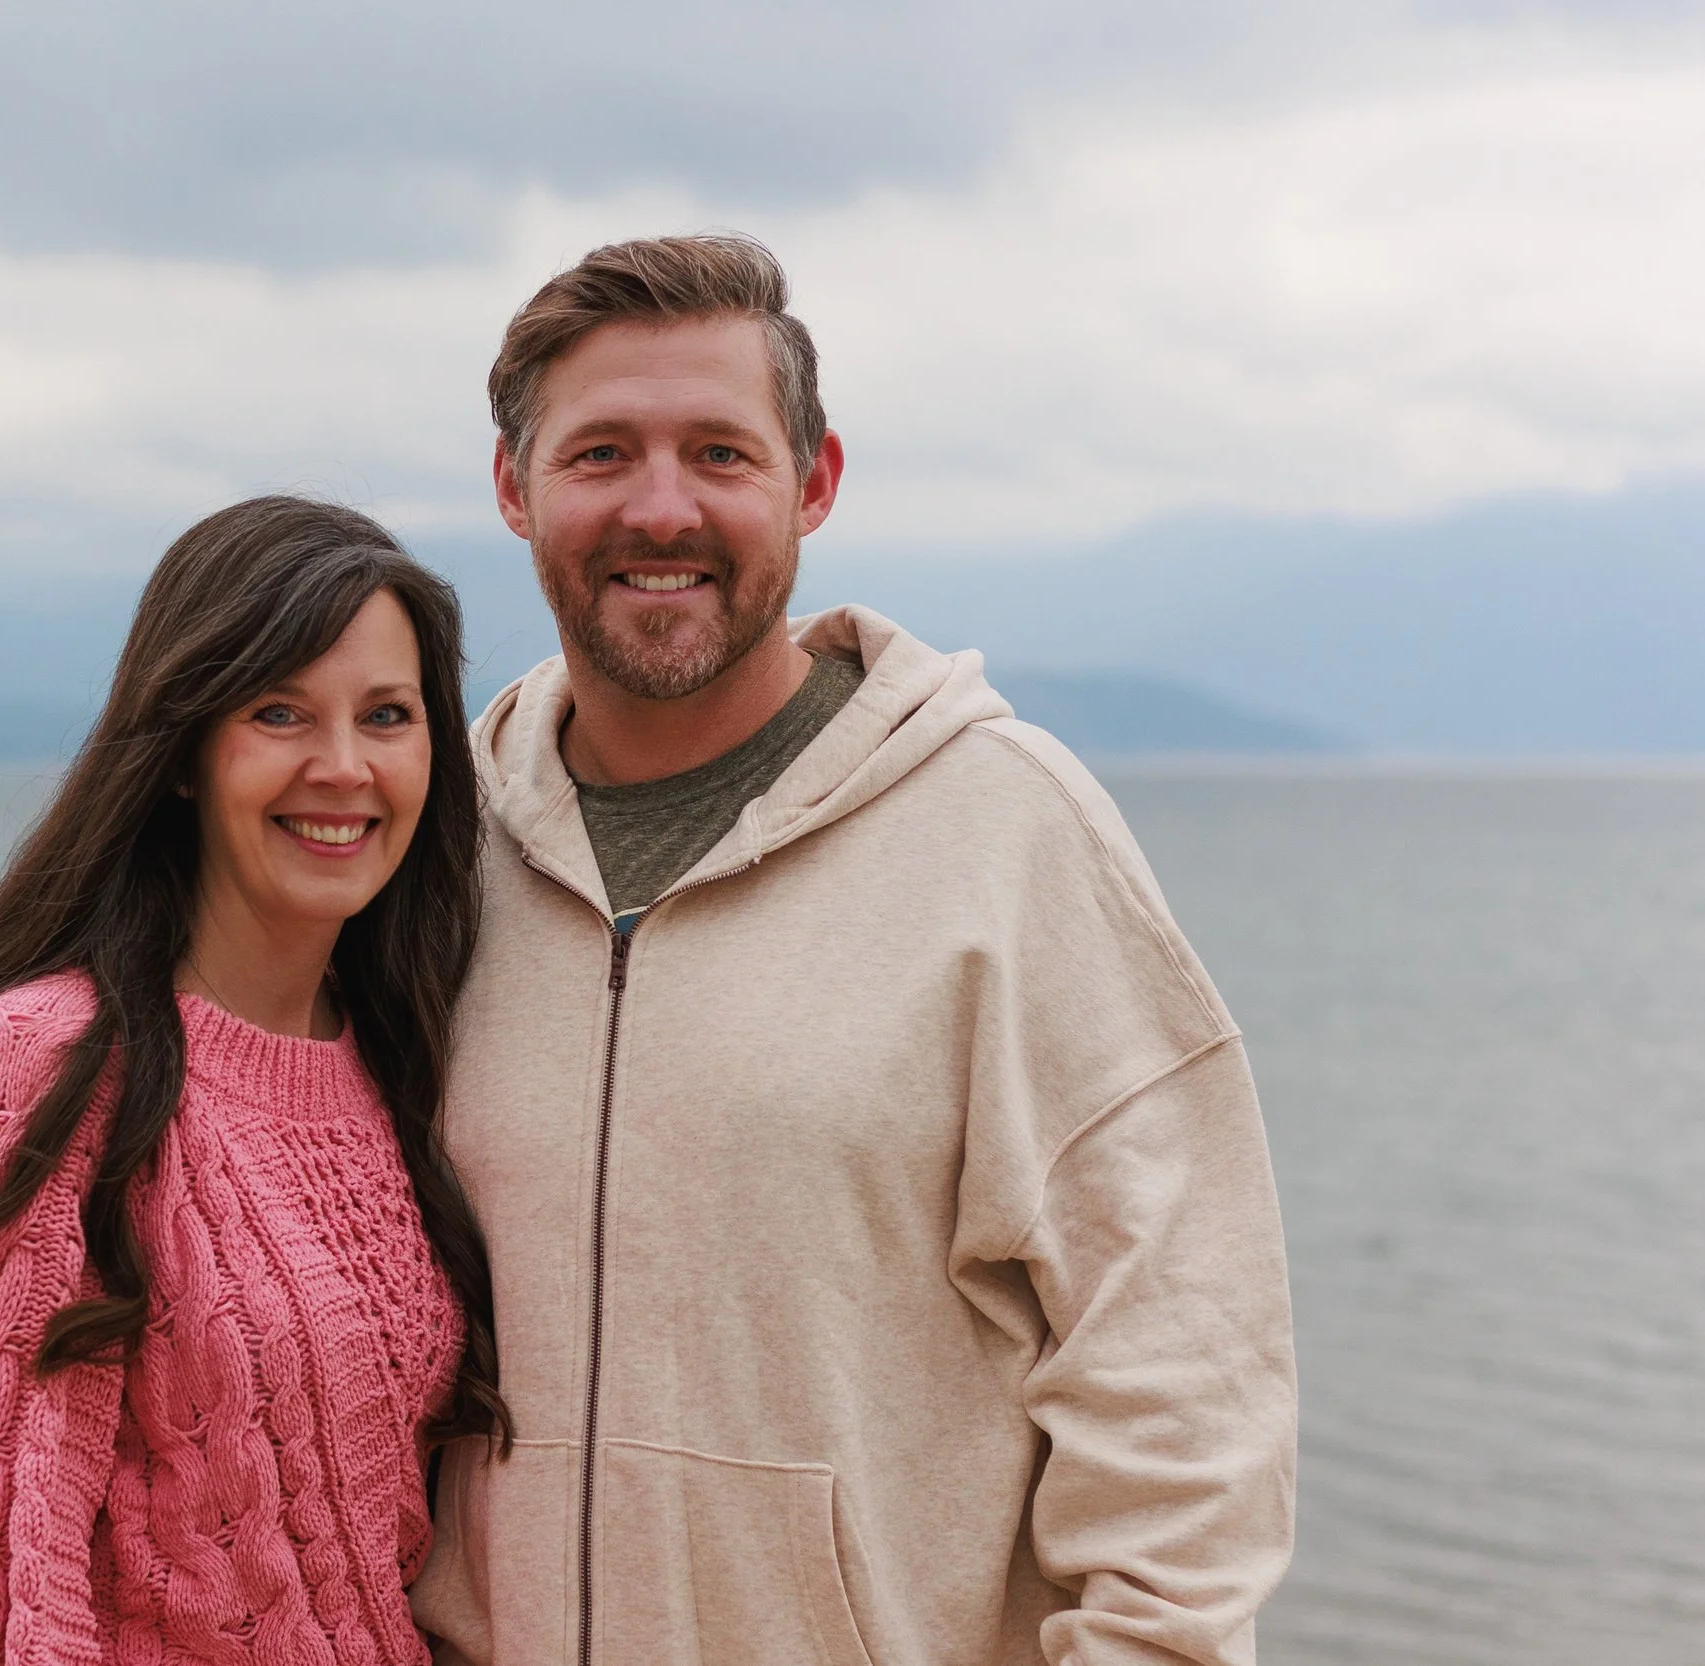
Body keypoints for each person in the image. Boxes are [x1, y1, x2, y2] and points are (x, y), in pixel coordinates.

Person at [410, 235, 1296, 1665]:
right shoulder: (429, 851)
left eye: (719, 452)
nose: (661, 506)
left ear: (813, 482)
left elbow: (1183, 1381)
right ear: (514, 489)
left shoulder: (1005, 833)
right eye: (600, 455)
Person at [0, 496, 509, 1664]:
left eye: (385, 716)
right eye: (279, 712)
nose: (341, 767)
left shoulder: (399, 1058)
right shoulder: (61, 1060)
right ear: (188, 750)